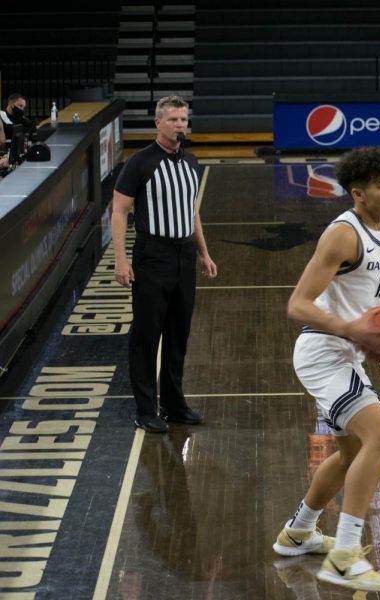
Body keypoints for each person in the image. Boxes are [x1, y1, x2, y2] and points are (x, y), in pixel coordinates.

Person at [272, 146, 380, 593]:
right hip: (323, 352)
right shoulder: (342, 236)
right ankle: (345, 557)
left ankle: (298, 533)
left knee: (353, 454)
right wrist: (353, 328)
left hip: (352, 352)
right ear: (358, 193)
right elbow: (297, 304)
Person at [112, 95, 217, 433]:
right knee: (147, 333)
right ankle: (145, 408)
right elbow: (119, 211)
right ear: (158, 124)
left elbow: (192, 211)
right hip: (152, 254)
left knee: (178, 333)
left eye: (183, 119)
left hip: (184, 255)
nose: (179, 125)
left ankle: (174, 404)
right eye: (172, 120)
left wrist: (204, 253)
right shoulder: (140, 162)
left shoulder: (191, 162)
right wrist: (121, 260)